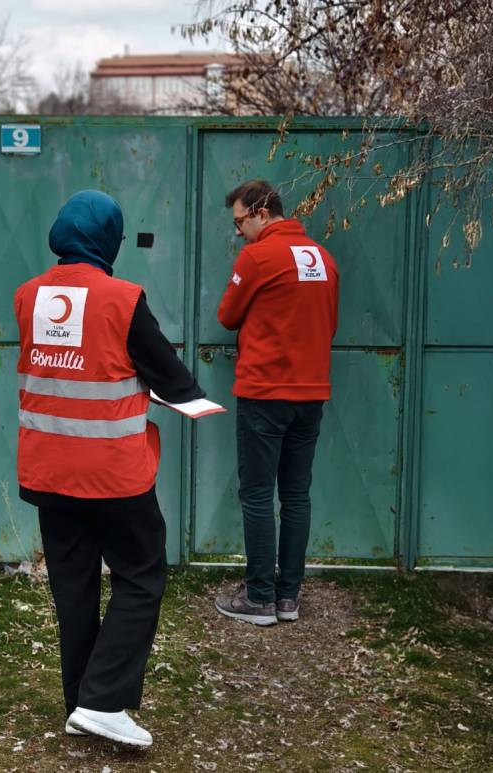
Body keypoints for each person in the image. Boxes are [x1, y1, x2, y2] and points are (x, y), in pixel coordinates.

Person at [14, 190, 204, 748]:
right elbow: (168, 376)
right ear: (107, 240)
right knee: (141, 577)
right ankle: (102, 702)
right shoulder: (122, 299)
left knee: (72, 589)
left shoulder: (28, 296)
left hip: (48, 472)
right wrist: (189, 394)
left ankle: (81, 703)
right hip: (113, 476)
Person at [214, 180, 340, 626]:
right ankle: (288, 598)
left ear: (262, 213)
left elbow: (227, 315)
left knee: (256, 496)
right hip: (311, 393)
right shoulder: (323, 259)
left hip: (265, 391)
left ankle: (259, 598)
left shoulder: (258, 257)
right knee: (296, 496)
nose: (239, 233)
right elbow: (330, 323)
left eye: (240, 222)